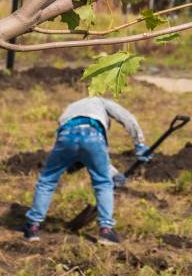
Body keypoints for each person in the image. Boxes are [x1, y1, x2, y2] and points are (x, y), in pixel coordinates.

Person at [22, 96, 151, 245]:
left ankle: (32, 228)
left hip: (66, 136)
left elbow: (77, 148)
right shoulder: (101, 102)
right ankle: (106, 231)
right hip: (93, 136)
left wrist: (114, 174)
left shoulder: (69, 109)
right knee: (103, 184)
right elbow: (126, 118)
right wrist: (140, 144)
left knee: (47, 180)